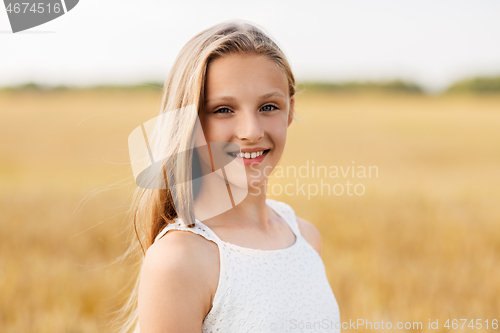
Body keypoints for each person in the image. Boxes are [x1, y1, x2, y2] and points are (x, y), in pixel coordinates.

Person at [117, 19, 341, 333]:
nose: (251, 131)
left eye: (268, 106)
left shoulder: (304, 237)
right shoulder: (180, 260)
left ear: (290, 110)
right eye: (223, 109)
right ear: (188, 122)